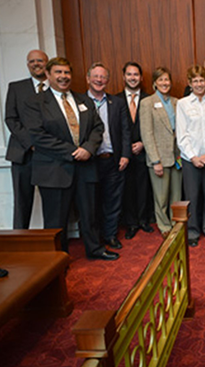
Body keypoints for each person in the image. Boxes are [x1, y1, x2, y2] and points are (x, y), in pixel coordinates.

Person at [23, 57, 118, 260]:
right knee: (56, 220)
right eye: (58, 72)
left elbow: (97, 127)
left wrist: (88, 149)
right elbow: (37, 136)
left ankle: (94, 249)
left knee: (90, 214)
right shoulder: (35, 102)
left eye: (66, 73)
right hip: (54, 170)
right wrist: (72, 151)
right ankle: (57, 259)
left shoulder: (83, 100)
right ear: (48, 75)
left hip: (86, 167)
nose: (63, 77)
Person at [86, 62, 131, 250]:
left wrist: (125, 155)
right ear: (88, 79)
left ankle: (110, 235)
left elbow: (125, 130)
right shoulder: (80, 102)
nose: (99, 80)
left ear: (108, 80)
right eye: (96, 76)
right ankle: (94, 239)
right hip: (89, 162)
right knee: (91, 203)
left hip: (113, 159)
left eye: (103, 77)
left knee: (113, 200)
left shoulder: (117, 103)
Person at [176, 65, 205, 247]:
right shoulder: (183, 104)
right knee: (192, 197)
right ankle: (193, 231)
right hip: (190, 160)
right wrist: (194, 157)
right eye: (195, 81)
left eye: (202, 80)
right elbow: (182, 134)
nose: (199, 84)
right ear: (190, 83)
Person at [4, 50, 49, 229]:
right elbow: (11, 119)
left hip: (50, 156)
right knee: (22, 202)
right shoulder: (16, 87)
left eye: (40, 60)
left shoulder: (56, 88)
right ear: (27, 64)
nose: (36, 64)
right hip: (23, 154)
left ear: (47, 63)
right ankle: (18, 243)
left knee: (52, 203)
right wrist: (31, 143)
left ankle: (53, 243)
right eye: (31, 61)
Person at [140, 67, 181, 238]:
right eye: (161, 80)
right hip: (159, 158)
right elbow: (147, 134)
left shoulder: (176, 102)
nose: (165, 83)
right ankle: (164, 226)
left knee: (176, 195)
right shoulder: (147, 103)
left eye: (167, 80)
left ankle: (176, 224)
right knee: (161, 197)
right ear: (155, 83)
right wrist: (155, 160)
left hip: (177, 156)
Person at [118, 61, 154, 239]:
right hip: (123, 153)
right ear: (124, 76)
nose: (133, 78)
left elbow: (154, 128)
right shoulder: (115, 100)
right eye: (129, 74)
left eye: (136, 75)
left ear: (141, 77)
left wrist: (143, 143)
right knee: (127, 188)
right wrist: (126, 148)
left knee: (143, 187)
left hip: (144, 150)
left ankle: (143, 220)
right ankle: (130, 223)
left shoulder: (150, 99)